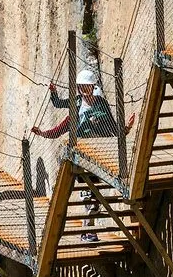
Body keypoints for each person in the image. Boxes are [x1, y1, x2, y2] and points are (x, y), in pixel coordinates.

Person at [32, 69, 130, 241]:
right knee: (91, 197)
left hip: (98, 155)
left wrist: (126, 129)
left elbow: (112, 127)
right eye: (81, 87)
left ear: (92, 87)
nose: (84, 90)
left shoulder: (101, 104)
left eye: (87, 86)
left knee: (94, 198)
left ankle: (87, 232)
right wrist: (42, 133)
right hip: (82, 158)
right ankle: (88, 232)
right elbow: (58, 121)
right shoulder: (76, 106)